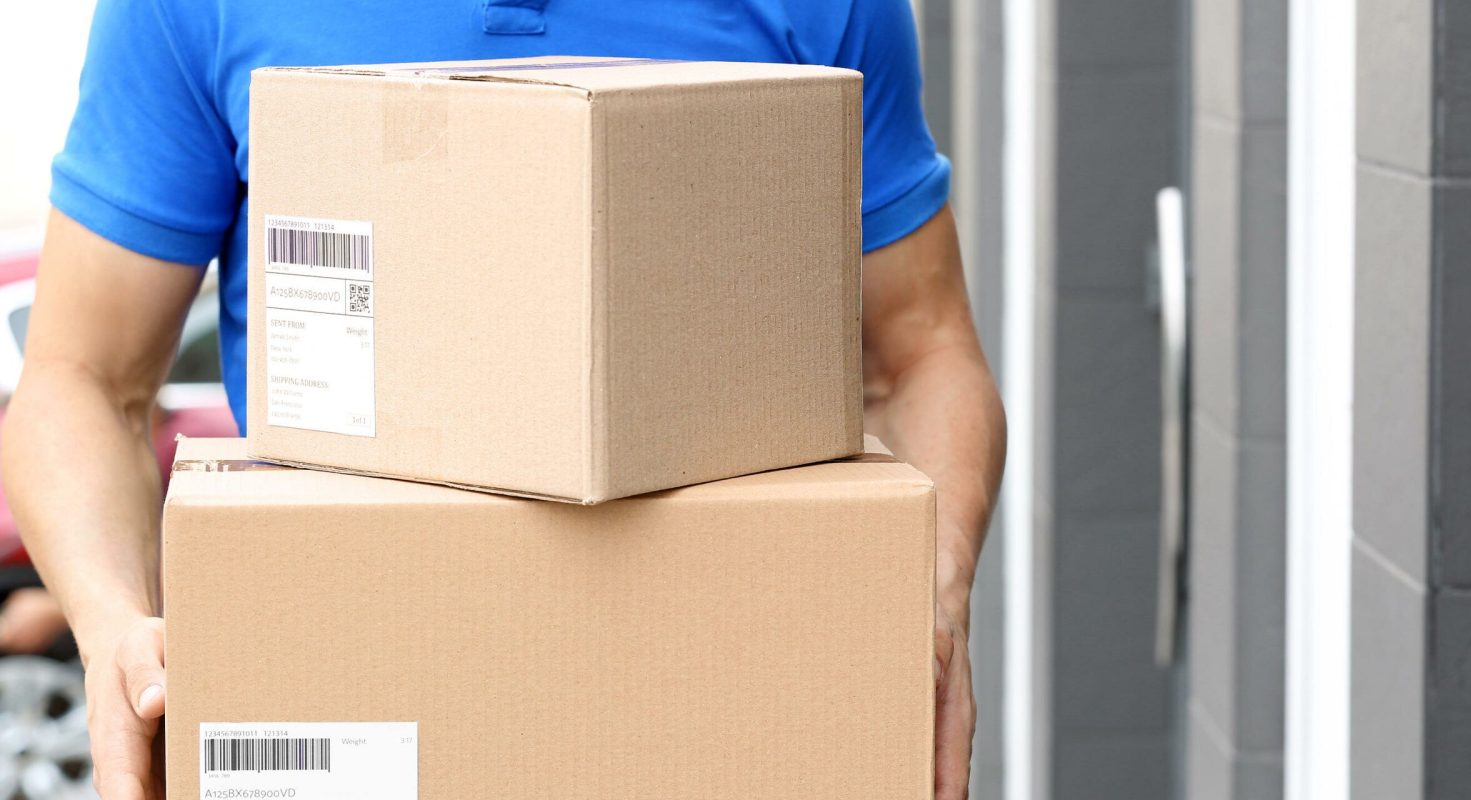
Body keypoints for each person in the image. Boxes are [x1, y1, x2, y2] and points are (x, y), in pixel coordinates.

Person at [0, 1, 1006, 798]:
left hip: (720, 709)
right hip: (357, 698)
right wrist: (111, 623)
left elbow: (921, 358)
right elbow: (81, 380)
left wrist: (933, 595)